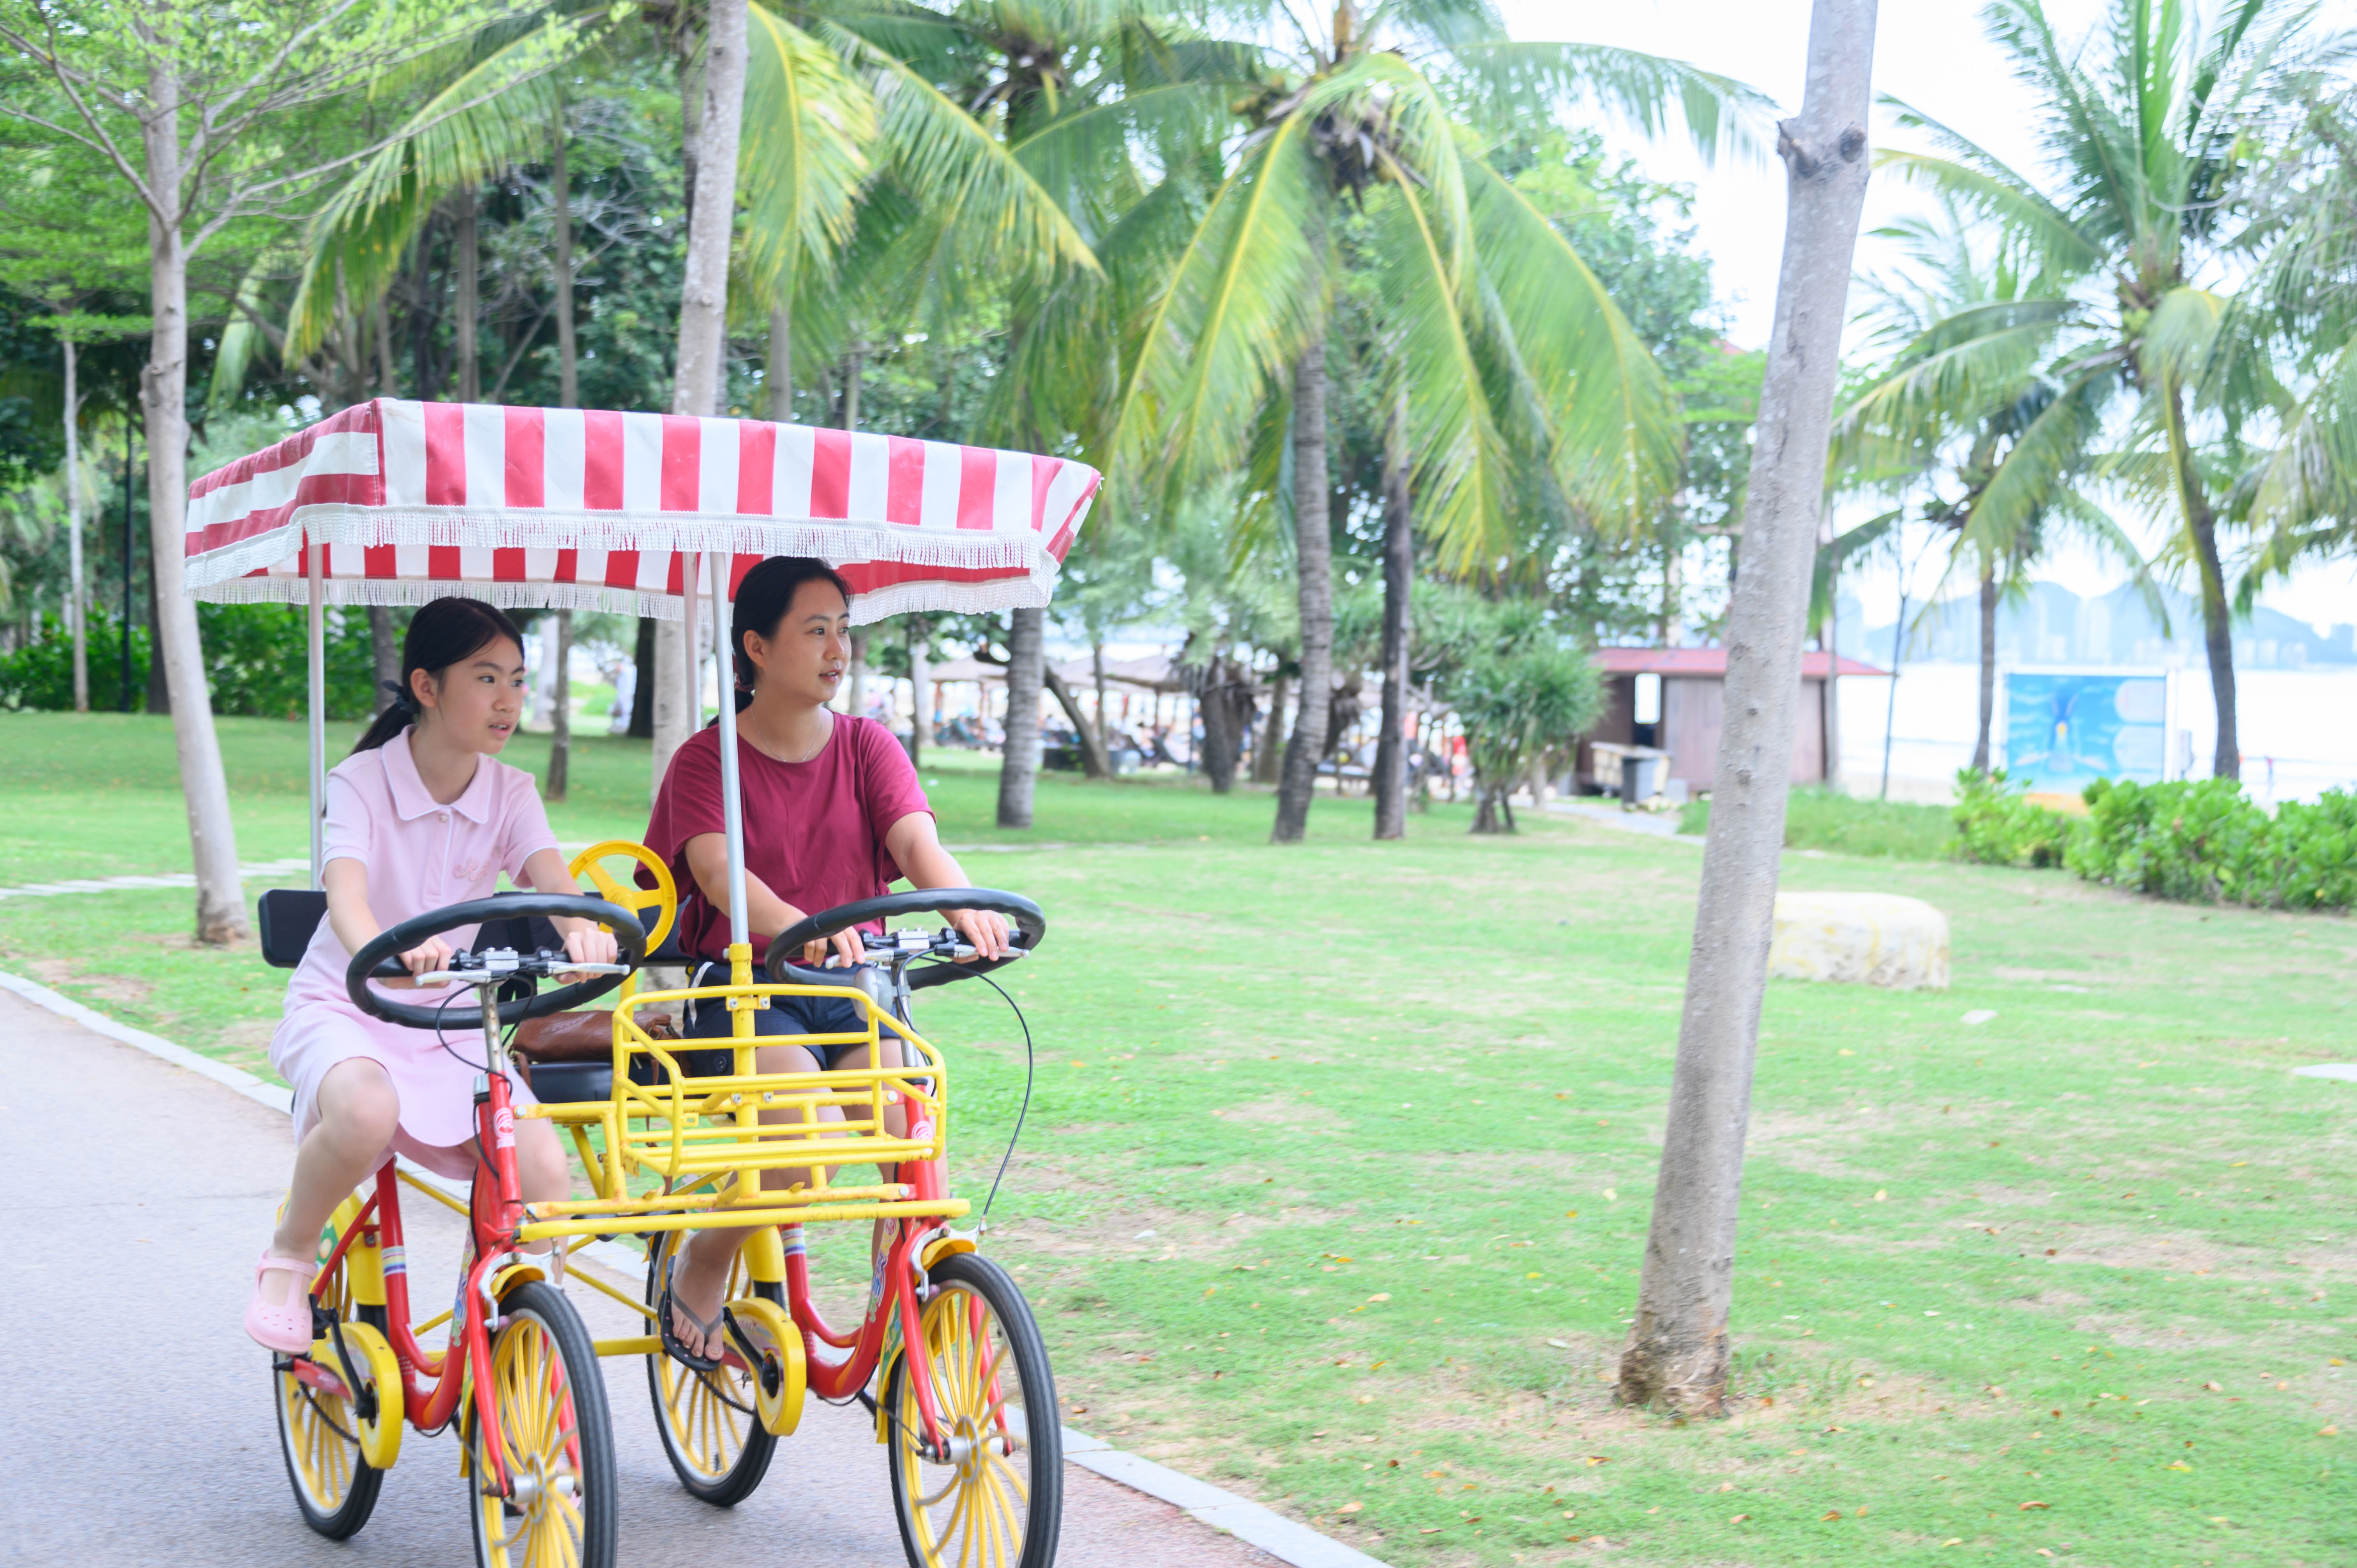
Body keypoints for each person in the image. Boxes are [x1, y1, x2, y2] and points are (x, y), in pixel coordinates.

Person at [643, 556, 1009, 1365]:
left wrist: (967, 904)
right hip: (746, 992)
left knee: (914, 1141)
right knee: (801, 1148)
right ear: (758, 648)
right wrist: (796, 925)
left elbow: (917, 842)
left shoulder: (867, 745)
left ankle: (924, 1318)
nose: (838, 647)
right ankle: (704, 1258)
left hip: (855, 986)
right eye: (816, 630)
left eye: (844, 629)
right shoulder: (708, 761)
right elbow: (715, 871)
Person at [242, 598, 620, 1353]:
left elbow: (554, 879)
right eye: (486, 678)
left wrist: (583, 926)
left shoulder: (511, 791)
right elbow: (345, 895)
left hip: (449, 1023)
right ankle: (288, 1252)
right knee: (364, 1112)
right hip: (348, 1006)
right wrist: (388, 948)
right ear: (427, 685)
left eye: (516, 678)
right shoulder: (362, 780)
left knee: (544, 1167)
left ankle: (511, 1325)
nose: (508, 699)